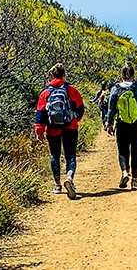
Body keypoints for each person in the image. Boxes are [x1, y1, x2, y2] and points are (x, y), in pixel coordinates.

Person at [34, 63, 85, 199]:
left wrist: (39, 132)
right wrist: (72, 119)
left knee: (54, 155)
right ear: (64, 75)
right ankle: (69, 177)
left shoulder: (45, 93)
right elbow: (80, 110)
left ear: (51, 76)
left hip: (52, 129)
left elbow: (40, 114)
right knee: (70, 155)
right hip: (71, 127)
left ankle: (57, 185)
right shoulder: (72, 91)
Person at [106, 63, 137, 190]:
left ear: (122, 75)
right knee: (135, 151)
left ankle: (124, 172)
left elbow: (111, 108)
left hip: (121, 123)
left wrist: (109, 123)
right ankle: (134, 180)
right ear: (133, 75)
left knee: (122, 150)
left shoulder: (116, 88)